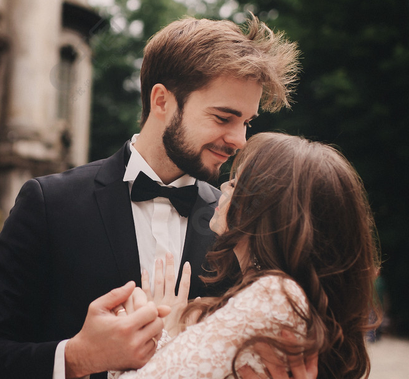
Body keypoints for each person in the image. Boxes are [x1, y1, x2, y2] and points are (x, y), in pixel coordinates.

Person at [0, 16, 300, 379]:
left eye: (247, 122)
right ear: (162, 101)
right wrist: (77, 357)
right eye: (223, 118)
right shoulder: (48, 203)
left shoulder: (236, 224)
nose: (240, 140)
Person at [111, 132, 379, 379]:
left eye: (238, 181)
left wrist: (150, 340)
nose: (226, 185)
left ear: (269, 211)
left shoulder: (275, 294)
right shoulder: (281, 298)